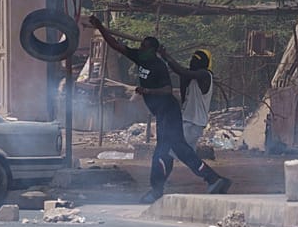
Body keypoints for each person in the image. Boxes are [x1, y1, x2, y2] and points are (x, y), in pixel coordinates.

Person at [88, 15, 231, 203]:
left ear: (153, 51)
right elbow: (116, 45)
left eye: (145, 47)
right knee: (178, 150)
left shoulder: (159, 66)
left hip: (169, 112)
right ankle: (212, 179)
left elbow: (167, 90)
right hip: (164, 113)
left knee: (163, 152)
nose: (141, 49)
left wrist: (147, 90)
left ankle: (157, 190)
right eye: (141, 46)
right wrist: (100, 27)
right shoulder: (139, 57)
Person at [159, 46, 213, 149]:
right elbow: (184, 95)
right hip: (188, 120)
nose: (193, 61)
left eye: (196, 59)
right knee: (188, 153)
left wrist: (165, 56)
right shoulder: (192, 77)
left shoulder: (205, 75)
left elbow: (182, 71)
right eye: (192, 59)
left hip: (194, 122)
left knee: (175, 149)